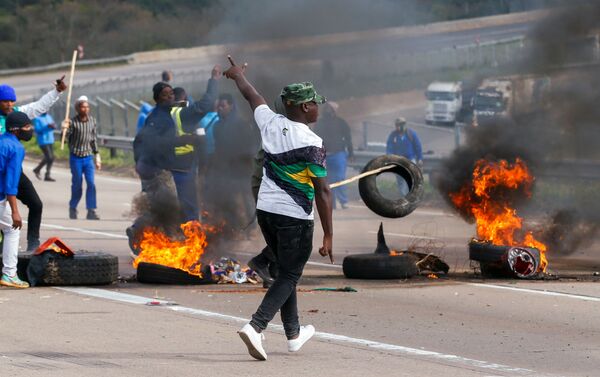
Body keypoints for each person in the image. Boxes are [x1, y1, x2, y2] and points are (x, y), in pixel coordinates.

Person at [223, 56, 333, 361]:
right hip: (294, 217)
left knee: (286, 271)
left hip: (267, 212)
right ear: (305, 107)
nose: (319, 108)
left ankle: (294, 334)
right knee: (289, 276)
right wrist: (328, 236)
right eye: (315, 103)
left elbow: (252, 96)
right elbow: (323, 192)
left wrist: (237, 76)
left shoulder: (270, 121)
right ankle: (256, 326)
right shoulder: (312, 142)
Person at [133, 66, 220, 222]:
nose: (169, 97)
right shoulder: (175, 114)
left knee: (167, 207)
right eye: (165, 95)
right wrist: (214, 80)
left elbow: (140, 141)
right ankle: (189, 238)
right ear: (157, 98)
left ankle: (166, 233)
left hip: (165, 169)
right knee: (187, 208)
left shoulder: (156, 115)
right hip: (177, 169)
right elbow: (206, 104)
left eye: (171, 93)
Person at [0, 77, 67, 251]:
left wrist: (56, 92)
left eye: (11, 101)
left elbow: (38, 107)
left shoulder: (17, 114)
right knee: (6, 220)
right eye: (5, 101)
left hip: (14, 170)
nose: (9, 104)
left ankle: (33, 244)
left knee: (36, 204)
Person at [208, 93, 259, 235]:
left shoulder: (242, 124)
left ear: (231, 106)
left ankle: (252, 228)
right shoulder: (217, 126)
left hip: (242, 168)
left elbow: (251, 146)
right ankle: (234, 227)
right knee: (229, 199)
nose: (220, 109)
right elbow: (218, 148)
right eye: (218, 106)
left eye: (223, 106)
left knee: (246, 198)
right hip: (225, 169)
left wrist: (246, 161)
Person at [0, 112, 34, 288]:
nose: (30, 130)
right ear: (16, 130)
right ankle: (10, 274)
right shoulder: (16, 148)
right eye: (27, 127)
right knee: (12, 230)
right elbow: (11, 184)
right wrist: (15, 211)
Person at [65, 95, 101, 220]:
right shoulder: (72, 122)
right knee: (77, 184)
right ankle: (73, 207)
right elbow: (65, 141)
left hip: (88, 157)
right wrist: (64, 129)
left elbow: (93, 140)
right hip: (76, 158)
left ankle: (91, 210)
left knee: (91, 184)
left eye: (87, 107)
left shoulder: (92, 121)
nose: (85, 109)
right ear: (78, 108)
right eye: (82, 107)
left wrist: (97, 157)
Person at [314, 102, 353, 209]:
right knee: (327, 180)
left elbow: (348, 138)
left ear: (335, 110)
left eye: (331, 108)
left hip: (339, 154)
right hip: (324, 155)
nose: (329, 110)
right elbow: (314, 139)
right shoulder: (319, 123)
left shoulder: (341, 123)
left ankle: (343, 201)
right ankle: (332, 202)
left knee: (340, 177)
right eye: (327, 108)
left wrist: (351, 153)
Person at [386, 117, 423, 195]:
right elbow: (389, 147)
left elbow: (418, 146)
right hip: (398, 160)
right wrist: (389, 157)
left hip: (410, 160)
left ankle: (410, 195)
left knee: (410, 178)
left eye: (402, 124)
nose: (400, 126)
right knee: (400, 180)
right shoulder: (393, 135)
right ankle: (404, 196)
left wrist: (420, 158)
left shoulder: (411, 134)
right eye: (398, 125)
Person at [32, 112, 57, 181]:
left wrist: (53, 126)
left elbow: (54, 125)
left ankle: (42, 172)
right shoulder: (37, 118)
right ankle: (41, 171)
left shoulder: (49, 116)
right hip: (43, 141)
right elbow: (37, 130)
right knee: (49, 157)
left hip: (50, 140)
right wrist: (47, 127)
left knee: (51, 158)